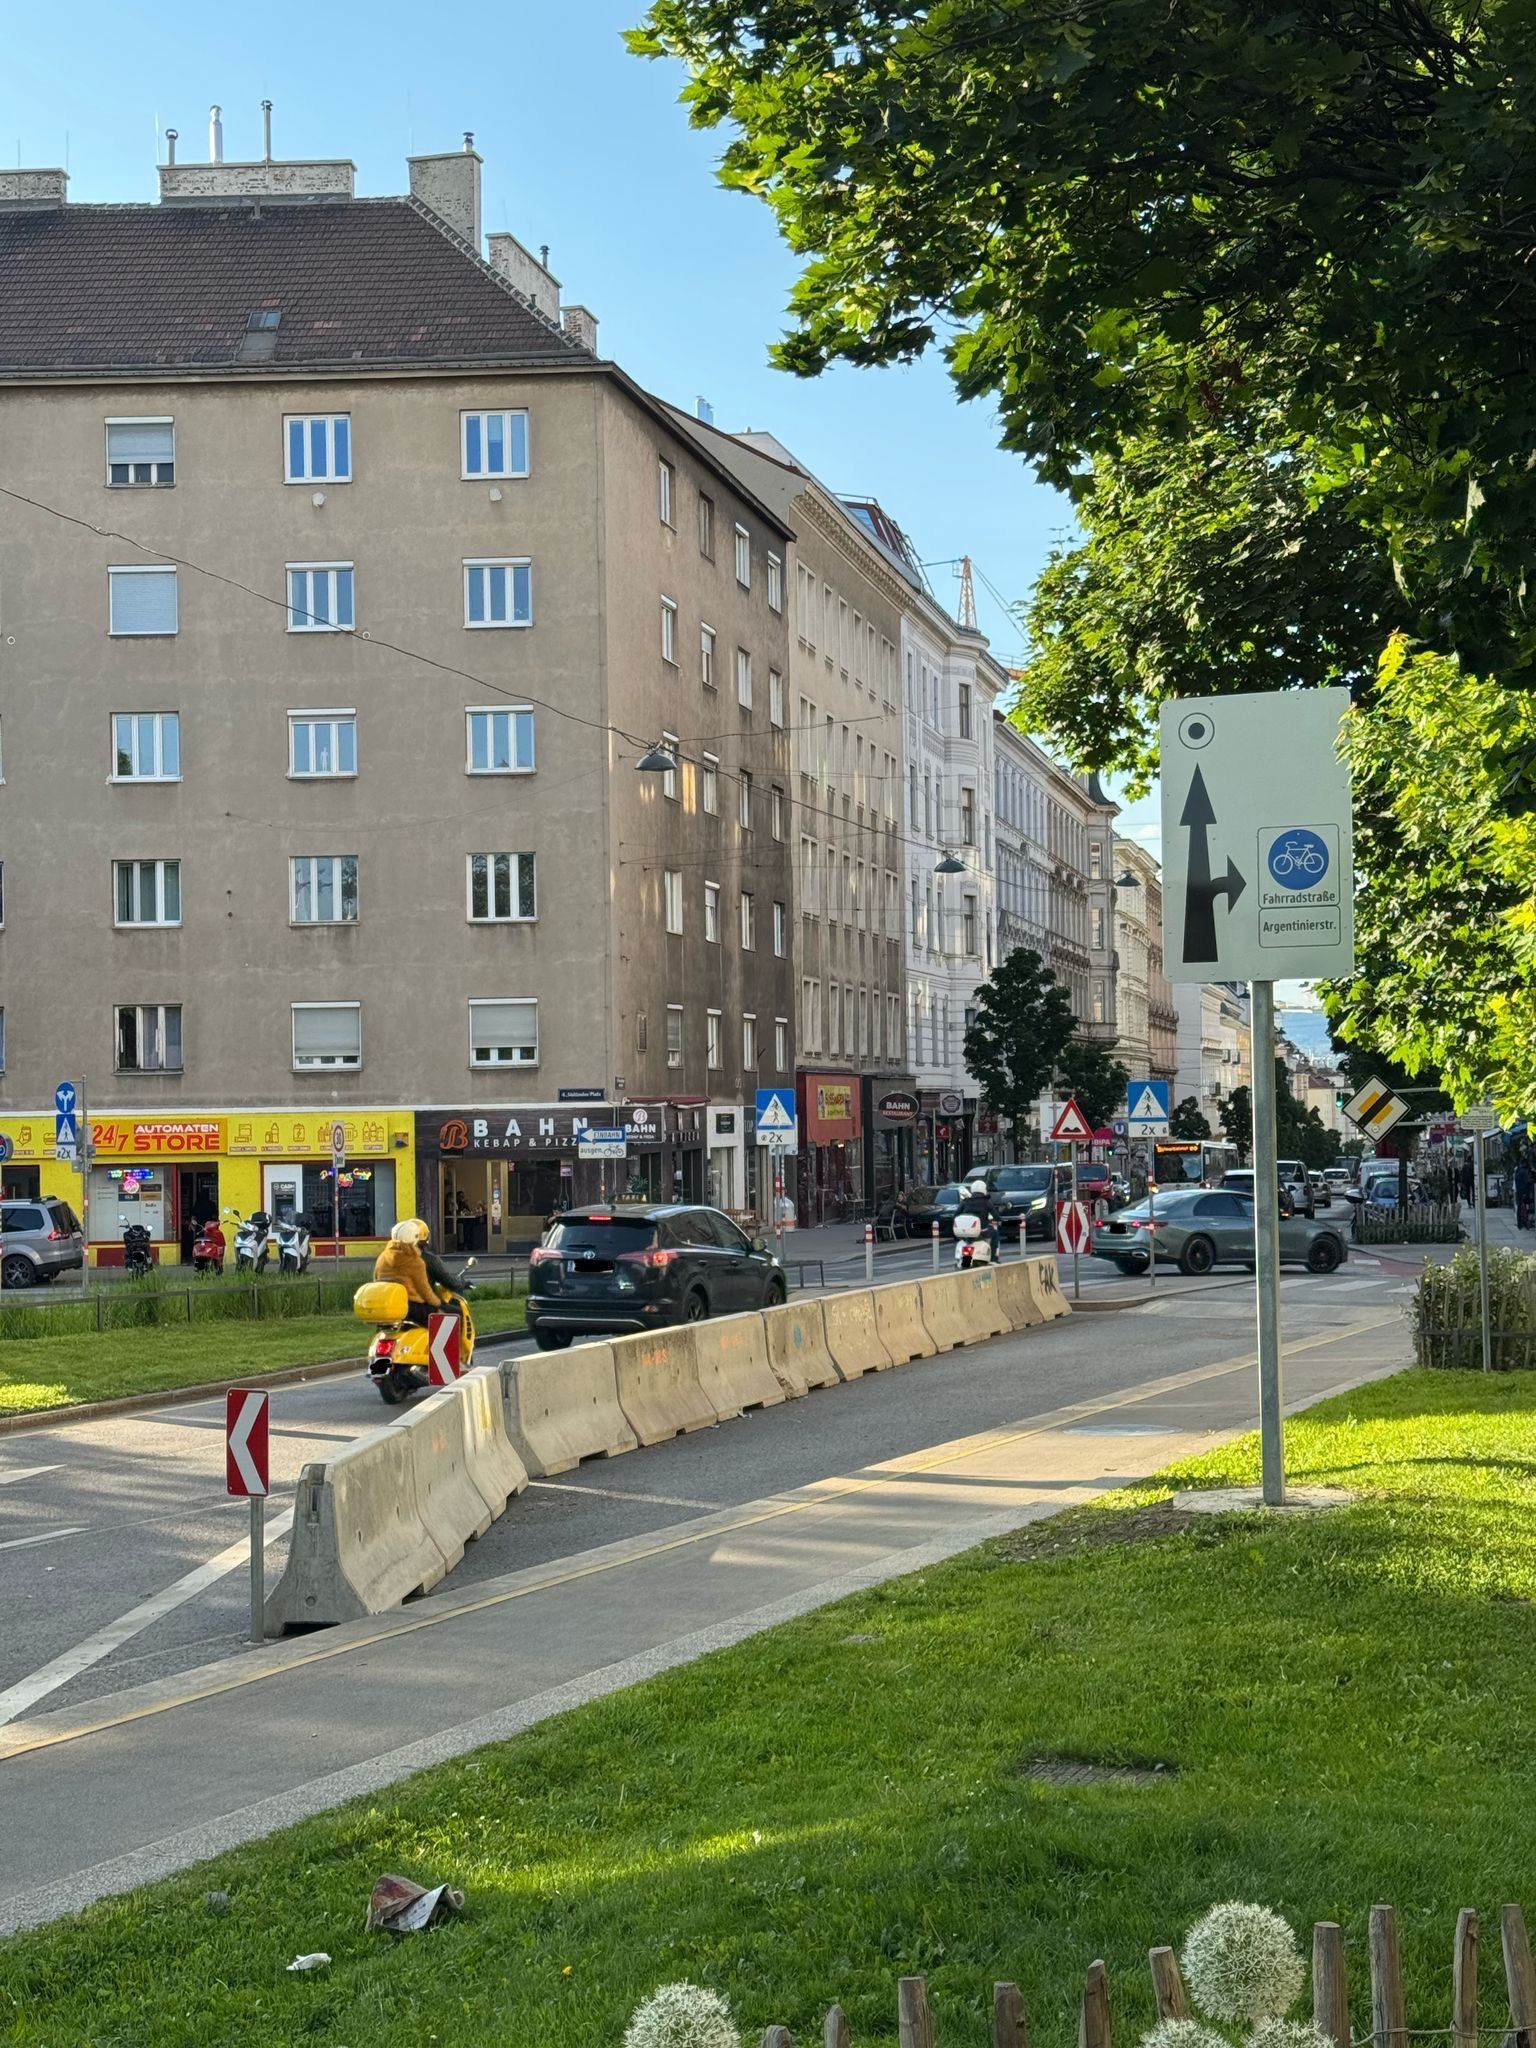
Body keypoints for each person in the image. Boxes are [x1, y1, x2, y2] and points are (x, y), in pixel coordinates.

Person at [373, 1218, 454, 1329]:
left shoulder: (382, 1257)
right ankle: (445, 1346)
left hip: (389, 1306)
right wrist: (438, 1303)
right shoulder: (415, 1261)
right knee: (452, 1316)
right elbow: (424, 1290)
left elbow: (376, 1281)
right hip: (413, 1307)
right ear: (413, 1239)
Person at [958, 1177, 999, 1259]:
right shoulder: (986, 1202)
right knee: (995, 1234)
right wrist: (999, 1220)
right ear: (984, 1189)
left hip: (966, 1231)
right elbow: (996, 1216)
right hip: (982, 1230)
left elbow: (956, 1214)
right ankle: (994, 1257)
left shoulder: (965, 1201)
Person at [1514, 1157, 1534, 1231]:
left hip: (1519, 1191)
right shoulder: (1524, 1171)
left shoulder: (1517, 1171)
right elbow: (1527, 1181)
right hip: (1524, 1192)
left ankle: (1520, 1223)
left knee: (1520, 1207)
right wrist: (1532, 1180)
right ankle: (1525, 1222)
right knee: (1524, 1207)